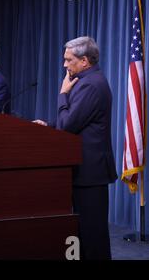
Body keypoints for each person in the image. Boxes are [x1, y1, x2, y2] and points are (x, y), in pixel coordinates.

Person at [34, 36, 117, 260]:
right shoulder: (86, 80)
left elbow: (68, 125)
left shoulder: (91, 84)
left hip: (90, 170)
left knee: (92, 234)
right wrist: (49, 125)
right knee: (83, 231)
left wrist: (62, 93)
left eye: (68, 60)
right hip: (85, 168)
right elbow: (78, 121)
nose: (64, 65)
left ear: (84, 61)